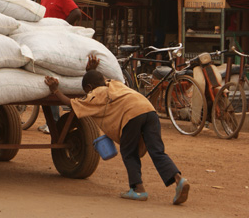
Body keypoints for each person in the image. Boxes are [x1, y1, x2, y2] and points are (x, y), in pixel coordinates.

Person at [44, 55, 190, 205]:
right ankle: (179, 180)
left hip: (131, 115)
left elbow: (71, 103)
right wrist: (91, 71)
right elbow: (95, 79)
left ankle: (138, 189)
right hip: (149, 110)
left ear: (89, 88)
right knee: (157, 151)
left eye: (86, 90)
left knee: (129, 152)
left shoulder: (95, 94)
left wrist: (55, 90)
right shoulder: (114, 84)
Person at [38, 0, 82, 134]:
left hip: (61, 45)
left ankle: (58, 120)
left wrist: (62, 29)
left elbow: (76, 13)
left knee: (57, 79)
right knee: (49, 80)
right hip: (47, 45)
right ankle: (52, 121)